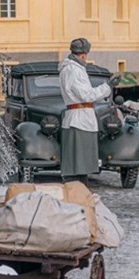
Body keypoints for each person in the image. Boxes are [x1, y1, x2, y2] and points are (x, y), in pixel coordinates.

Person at [58, 37, 113, 185]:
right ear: (83, 54)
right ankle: (78, 192)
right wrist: (107, 87)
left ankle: (79, 190)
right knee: (78, 164)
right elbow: (86, 95)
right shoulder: (74, 70)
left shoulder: (70, 69)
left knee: (79, 165)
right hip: (79, 120)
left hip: (78, 118)